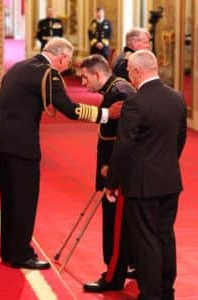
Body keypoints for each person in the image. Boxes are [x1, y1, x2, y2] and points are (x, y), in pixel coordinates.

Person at [0, 37, 122, 270]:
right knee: (24, 201)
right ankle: (21, 254)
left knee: (10, 198)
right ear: (61, 58)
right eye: (68, 61)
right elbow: (71, 109)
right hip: (22, 146)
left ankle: (9, 251)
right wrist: (106, 115)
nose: (67, 66)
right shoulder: (48, 75)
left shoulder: (19, 67)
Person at [105, 50, 187, 300]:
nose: (129, 77)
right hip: (170, 180)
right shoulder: (176, 97)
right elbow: (180, 139)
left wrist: (112, 182)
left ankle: (150, 294)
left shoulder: (135, 103)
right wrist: (165, 164)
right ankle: (166, 291)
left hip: (142, 185)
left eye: (129, 72)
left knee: (146, 240)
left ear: (138, 71)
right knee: (165, 235)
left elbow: (123, 146)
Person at [80, 54, 136, 293]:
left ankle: (113, 275)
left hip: (115, 172)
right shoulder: (114, 89)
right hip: (112, 168)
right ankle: (130, 265)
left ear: (97, 74)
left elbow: (126, 139)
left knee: (114, 223)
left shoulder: (119, 93)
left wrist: (111, 169)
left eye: (84, 78)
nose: (83, 83)